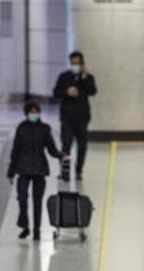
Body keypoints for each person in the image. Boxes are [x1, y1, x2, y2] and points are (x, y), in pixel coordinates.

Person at [7, 101, 65, 241]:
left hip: (39, 169)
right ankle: (25, 226)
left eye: (36, 112)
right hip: (23, 168)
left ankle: (37, 230)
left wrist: (61, 155)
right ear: (27, 113)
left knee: (37, 201)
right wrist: (11, 172)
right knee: (22, 198)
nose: (34, 114)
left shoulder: (45, 128)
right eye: (31, 112)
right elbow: (15, 151)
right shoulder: (21, 128)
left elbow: (51, 148)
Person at [52, 50, 97, 182]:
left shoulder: (88, 77)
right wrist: (66, 92)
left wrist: (84, 77)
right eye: (73, 63)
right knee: (66, 145)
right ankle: (64, 172)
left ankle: (78, 171)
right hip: (67, 117)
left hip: (82, 117)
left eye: (77, 63)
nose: (75, 65)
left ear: (82, 63)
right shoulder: (64, 76)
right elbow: (56, 93)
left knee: (82, 146)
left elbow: (92, 91)